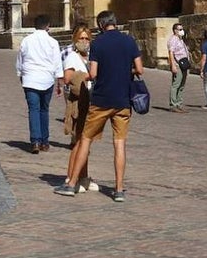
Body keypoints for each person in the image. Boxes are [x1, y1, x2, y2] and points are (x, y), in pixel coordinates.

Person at [54, 11, 143, 202]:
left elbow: (93, 74)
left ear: (101, 25)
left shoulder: (98, 44)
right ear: (115, 23)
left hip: (102, 100)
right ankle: (119, 189)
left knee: (85, 139)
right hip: (123, 100)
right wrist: (123, 70)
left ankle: (71, 184)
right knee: (119, 144)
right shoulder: (129, 41)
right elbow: (140, 69)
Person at [16, 14, 64, 153]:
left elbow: (20, 59)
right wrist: (59, 82)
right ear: (48, 26)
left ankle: (35, 141)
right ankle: (44, 141)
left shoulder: (26, 40)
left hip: (30, 78)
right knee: (44, 109)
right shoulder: (53, 42)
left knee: (33, 109)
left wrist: (20, 74)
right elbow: (57, 63)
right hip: (47, 79)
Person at [62, 26, 97, 193]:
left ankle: (84, 177)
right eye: (81, 39)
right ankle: (71, 177)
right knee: (78, 143)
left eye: (87, 39)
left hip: (89, 101)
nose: (84, 42)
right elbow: (68, 78)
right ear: (75, 40)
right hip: (78, 104)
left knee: (86, 143)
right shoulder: (72, 57)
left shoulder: (90, 58)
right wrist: (88, 77)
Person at [167, 23, 190, 112]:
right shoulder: (173, 40)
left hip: (184, 64)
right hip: (177, 64)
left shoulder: (180, 39)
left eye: (182, 29)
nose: (182, 31)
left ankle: (179, 103)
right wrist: (173, 65)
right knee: (176, 84)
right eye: (180, 29)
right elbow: (171, 53)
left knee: (182, 84)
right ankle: (173, 104)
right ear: (175, 30)